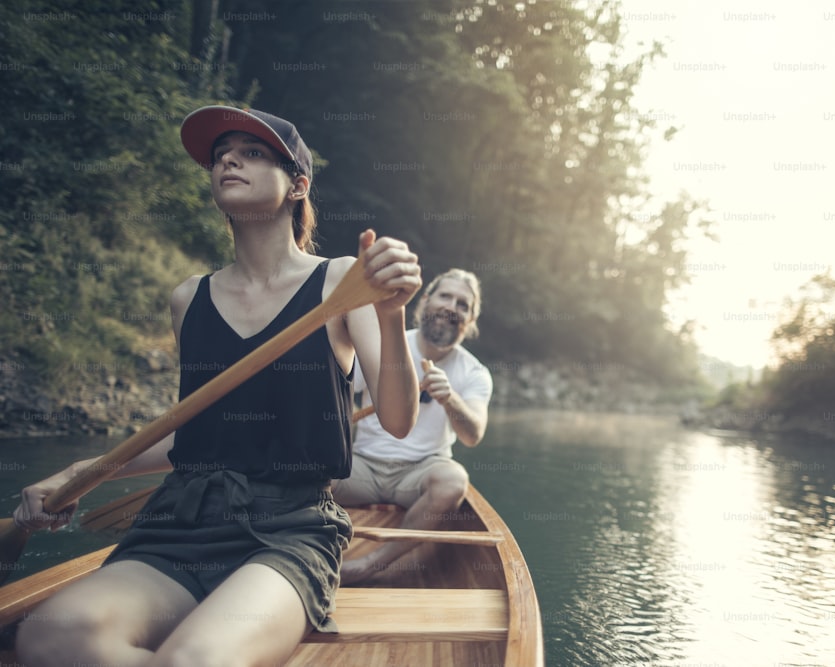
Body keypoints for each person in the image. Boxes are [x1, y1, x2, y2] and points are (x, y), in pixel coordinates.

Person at [12, 106, 422, 666]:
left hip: (289, 530)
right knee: (47, 637)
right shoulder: (189, 298)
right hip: (181, 524)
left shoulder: (339, 282)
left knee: (190, 662)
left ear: (297, 184)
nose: (227, 159)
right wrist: (78, 473)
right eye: (221, 154)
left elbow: (399, 419)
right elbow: (192, 434)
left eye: (252, 153)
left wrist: (393, 314)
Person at [334, 268, 492, 584]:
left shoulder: (474, 373)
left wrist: (450, 399)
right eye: (445, 296)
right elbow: (339, 398)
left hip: (420, 473)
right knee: (309, 466)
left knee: (454, 479)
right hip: (362, 466)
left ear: (470, 321)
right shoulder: (386, 344)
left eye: (463, 304)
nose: (452, 306)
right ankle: (312, 550)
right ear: (425, 302)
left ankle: (371, 564)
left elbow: (473, 435)